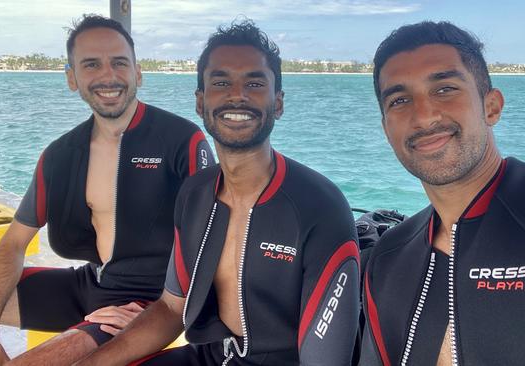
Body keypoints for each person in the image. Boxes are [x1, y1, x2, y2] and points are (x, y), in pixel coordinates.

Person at [76, 20, 360, 366]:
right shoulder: (195, 194)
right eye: (221, 82)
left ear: (279, 103)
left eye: (254, 83)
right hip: (211, 355)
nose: (236, 94)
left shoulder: (319, 207)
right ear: (200, 102)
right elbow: (170, 307)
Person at [360, 21, 525, 366]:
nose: (423, 115)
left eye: (444, 89)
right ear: (386, 129)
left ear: (491, 106)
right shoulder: (388, 258)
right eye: (400, 100)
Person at [0, 15, 214, 365]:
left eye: (119, 62)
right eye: (91, 64)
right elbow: (13, 243)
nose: (108, 75)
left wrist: (162, 315)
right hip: (88, 283)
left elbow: (214, 239)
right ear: (72, 78)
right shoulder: (61, 155)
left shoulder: (181, 141)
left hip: (149, 302)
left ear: (137, 73)